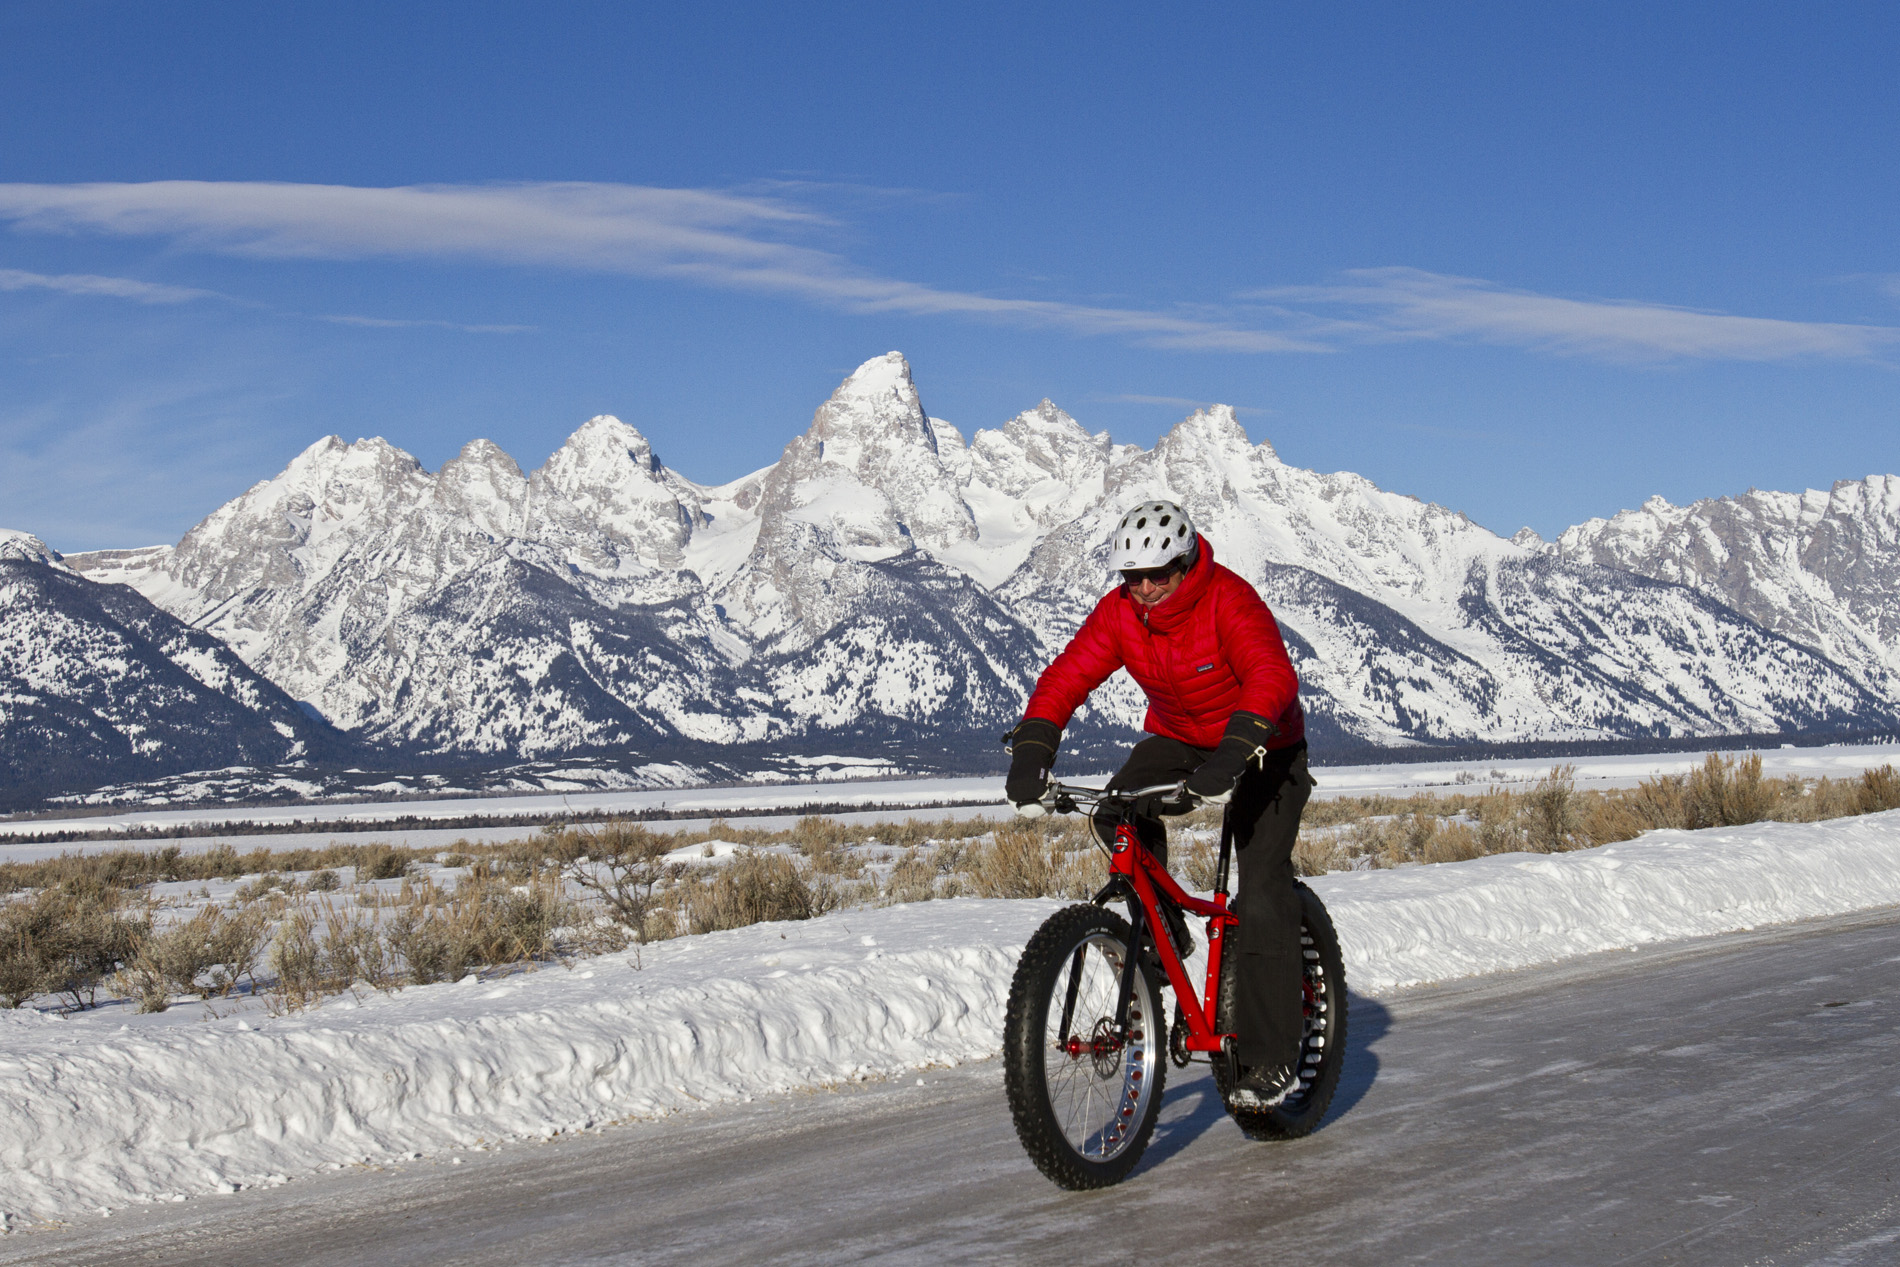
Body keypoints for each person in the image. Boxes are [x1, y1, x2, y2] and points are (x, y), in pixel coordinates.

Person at [1005, 499, 1312, 1108]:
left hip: (1265, 744)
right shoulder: (1122, 614)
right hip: (1184, 738)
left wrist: (1234, 757)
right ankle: (1163, 930)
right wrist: (1033, 749)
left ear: (1186, 561)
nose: (1145, 589)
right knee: (1116, 808)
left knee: (1263, 890)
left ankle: (1275, 1058)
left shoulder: (1229, 600)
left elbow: (1270, 676)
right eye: (1132, 578)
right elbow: (1067, 676)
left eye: (1158, 574)